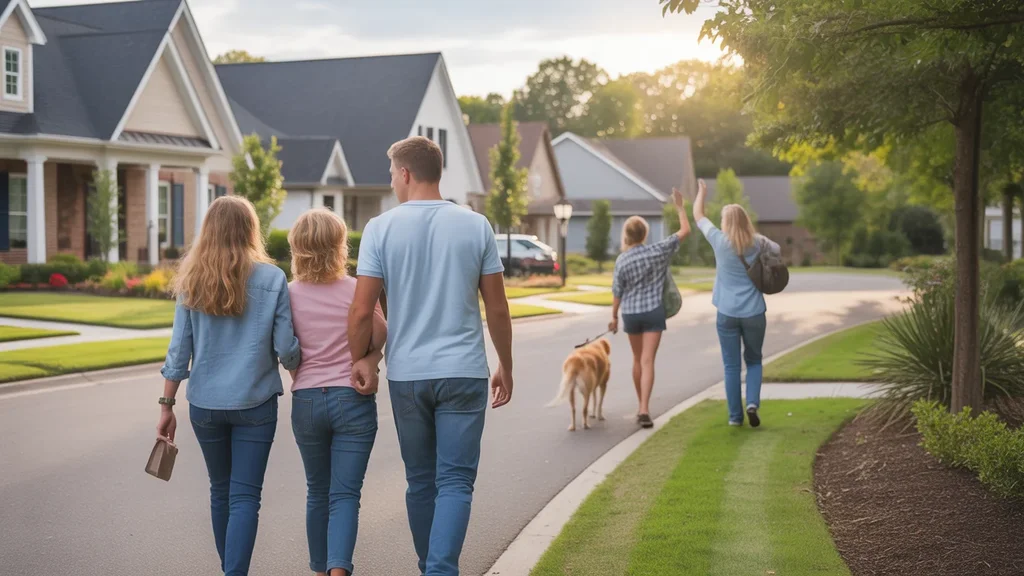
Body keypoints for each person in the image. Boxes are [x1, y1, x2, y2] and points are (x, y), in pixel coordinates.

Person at [348, 136, 514, 576]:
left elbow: (362, 309)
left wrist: (360, 358)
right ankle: (439, 570)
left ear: (405, 173)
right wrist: (507, 366)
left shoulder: (380, 229)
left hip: (409, 375)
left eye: (391, 175)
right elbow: (496, 307)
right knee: (456, 481)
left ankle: (432, 568)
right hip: (464, 372)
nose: (391, 183)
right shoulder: (476, 225)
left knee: (421, 482)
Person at [156, 196, 301, 576]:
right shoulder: (271, 279)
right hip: (255, 403)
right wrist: (299, 367)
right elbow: (286, 348)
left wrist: (166, 406)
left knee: (221, 491)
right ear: (251, 230)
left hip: (205, 405)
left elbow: (178, 351)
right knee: (244, 497)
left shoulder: (192, 280)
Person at [287, 209, 387, 576]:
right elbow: (380, 333)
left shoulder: (288, 295)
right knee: (345, 495)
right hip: (352, 398)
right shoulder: (357, 291)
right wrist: (371, 357)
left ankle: (319, 569)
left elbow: (284, 347)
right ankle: (338, 571)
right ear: (339, 246)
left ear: (298, 248)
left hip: (307, 401)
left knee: (317, 491)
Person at [693, 178, 779, 428]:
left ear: (725, 223)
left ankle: (734, 417)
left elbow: (698, 215)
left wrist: (702, 192)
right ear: (745, 221)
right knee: (753, 360)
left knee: (731, 366)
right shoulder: (759, 243)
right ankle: (752, 403)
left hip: (727, 313)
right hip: (754, 313)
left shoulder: (719, 241)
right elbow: (778, 251)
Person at [609, 189, 691, 428]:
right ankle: (645, 408)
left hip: (631, 315)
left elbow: (617, 291)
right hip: (653, 311)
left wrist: (613, 317)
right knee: (647, 361)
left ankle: (639, 407)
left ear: (626, 235)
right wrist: (679, 207)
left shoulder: (622, 260)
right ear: (645, 234)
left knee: (637, 360)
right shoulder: (658, 251)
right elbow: (685, 231)